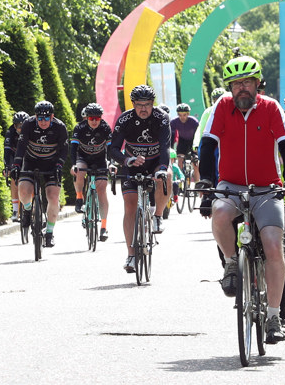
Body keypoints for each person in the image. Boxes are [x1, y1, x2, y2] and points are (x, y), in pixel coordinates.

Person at [197, 55, 285, 344]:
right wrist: (206, 179)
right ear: (230, 87)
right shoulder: (222, 107)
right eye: (236, 83)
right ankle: (232, 262)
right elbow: (208, 145)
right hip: (230, 185)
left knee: (272, 247)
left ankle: (273, 316)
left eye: (247, 82)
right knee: (219, 213)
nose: (242, 88)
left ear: (258, 84)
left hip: (267, 188)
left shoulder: (271, 107)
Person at [109, 84, 171, 273]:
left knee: (166, 175)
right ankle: (131, 255)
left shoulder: (161, 118)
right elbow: (112, 148)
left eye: (147, 104)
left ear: (153, 104)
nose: (143, 109)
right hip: (131, 164)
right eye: (139, 105)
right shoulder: (125, 119)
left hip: (154, 163)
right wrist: (127, 160)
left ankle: (158, 216)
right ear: (133, 104)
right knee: (129, 206)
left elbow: (164, 148)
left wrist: (161, 168)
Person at [10, 101, 68, 248]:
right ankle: (28, 210)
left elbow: (64, 150)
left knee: (53, 198)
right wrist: (16, 165)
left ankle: (49, 233)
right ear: (35, 117)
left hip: (51, 163)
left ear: (52, 117)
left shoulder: (60, 127)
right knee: (23, 190)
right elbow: (21, 146)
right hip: (31, 162)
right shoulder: (28, 124)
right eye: (40, 118)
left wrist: (59, 165)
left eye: (47, 118)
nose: (43, 122)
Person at [70, 102, 112, 241]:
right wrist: (73, 165)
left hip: (100, 159)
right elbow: (73, 148)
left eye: (97, 118)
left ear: (101, 118)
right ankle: (79, 197)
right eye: (91, 118)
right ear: (86, 118)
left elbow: (111, 148)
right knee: (79, 171)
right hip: (83, 157)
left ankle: (104, 227)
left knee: (102, 190)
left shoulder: (105, 127)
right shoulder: (80, 128)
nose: (94, 121)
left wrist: (111, 163)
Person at [3, 111, 29, 221]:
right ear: (15, 126)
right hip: (15, 156)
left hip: (28, 156)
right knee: (14, 178)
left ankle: (32, 207)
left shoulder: (31, 130)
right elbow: (7, 150)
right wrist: (7, 167)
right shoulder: (10, 132)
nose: (21, 129)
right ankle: (15, 210)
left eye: (23, 126)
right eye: (19, 127)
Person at [170, 103, 199, 183]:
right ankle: (181, 182)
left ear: (188, 114)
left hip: (193, 142)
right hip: (182, 142)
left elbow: (198, 134)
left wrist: (197, 146)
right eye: (180, 115)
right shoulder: (174, 122)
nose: (182, 117)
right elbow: (171, 136)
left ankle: (197, 184)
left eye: (184, 115)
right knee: (180, 159)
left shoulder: (194, 121)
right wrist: (171, 148)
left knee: (195, 163)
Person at [193, 87, 226, 153]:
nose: (218, 102)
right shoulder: (208, 111)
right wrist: (196, 143)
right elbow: (201, 128)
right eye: (215, 100)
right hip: (213, 141)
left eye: (220, 99)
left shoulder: (232, 110)